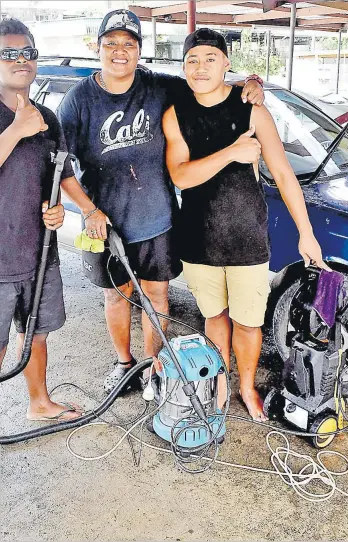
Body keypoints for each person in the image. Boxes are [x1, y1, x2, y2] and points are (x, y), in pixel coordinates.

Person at [57, 9, 265, 394]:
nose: (120, 52)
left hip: (157, 219)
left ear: (139, 51)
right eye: (111, 43)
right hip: (104, 224)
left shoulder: (158, 87)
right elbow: (59, 165)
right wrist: (88, 209)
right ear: (97, 48)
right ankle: (124, 364)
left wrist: (248, 82)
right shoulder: (78, 100)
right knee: (116, 297)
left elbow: (205, 80)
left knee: (157, 295)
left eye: (129, 44)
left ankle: (154, 366)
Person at [163, 28, 331, 421]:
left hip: (247, 238)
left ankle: (246, 386)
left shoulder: (252, 110)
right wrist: (233, 151)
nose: (200, 67)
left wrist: (306, 233)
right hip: (198, 240)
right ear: (183, 67)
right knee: (214, 318)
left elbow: (285, 175)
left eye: (209, 58)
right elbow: (181, 176)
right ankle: (221, 382)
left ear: (226, 63)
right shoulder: (176, 114)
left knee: (249, 322)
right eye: (192, 60)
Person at [0, 19, 80, 421]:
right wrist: (15, 130)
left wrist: (58, 208)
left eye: (28, 53)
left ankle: (39, 403)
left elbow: (56, 176)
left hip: (40, 252)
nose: (20, 60)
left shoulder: (48, 115)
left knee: (35, 332)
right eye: (9, 53)